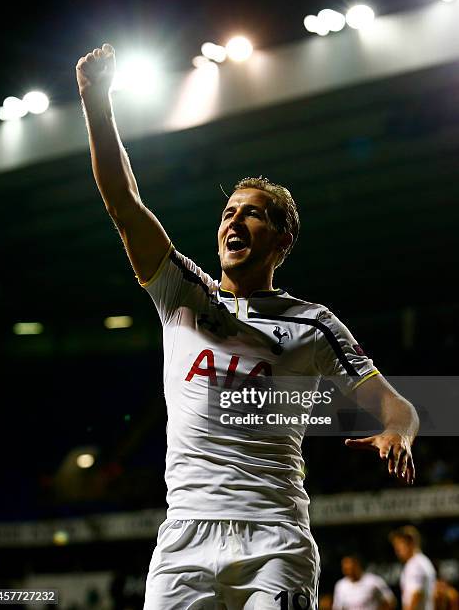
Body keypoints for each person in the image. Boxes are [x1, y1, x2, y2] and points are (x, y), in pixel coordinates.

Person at [76, 43, 419, 610]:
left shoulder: (312, 323)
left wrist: (397, 432)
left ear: (282, 239)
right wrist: (96, 101)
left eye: (253, 212)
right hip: (185, 536)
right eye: (229, 212)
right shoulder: (180, 295)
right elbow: (124, 203)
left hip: (274, 537)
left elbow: (398, 407)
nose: (235, 220)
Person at [389, 526, 436, 610]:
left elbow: (416, 594)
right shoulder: (422, 561)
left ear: (410, 543)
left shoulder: (415, 565)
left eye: (399, 545)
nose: (397, 550)